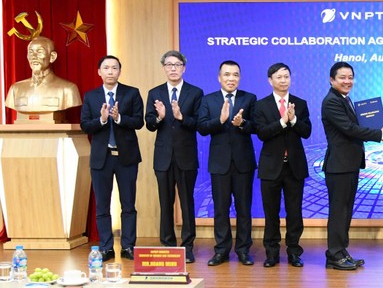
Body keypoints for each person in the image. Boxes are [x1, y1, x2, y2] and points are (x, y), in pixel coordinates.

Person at [321, 61, 383, 271]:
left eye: (350, 77)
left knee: (345, 211)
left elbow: (355, 126)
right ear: (332, 80)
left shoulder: (344, 99)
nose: (347, 81)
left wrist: (379, 127)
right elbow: (349, 129)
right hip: (338, 166)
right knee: (338, 212)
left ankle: (341, 251)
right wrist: (380, 135)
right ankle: (334, 255)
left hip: (349, 164)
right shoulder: (331, 101)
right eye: (342, 77)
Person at [80, 55, 144, 262]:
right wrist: (102, 119)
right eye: (106, 68)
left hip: (126, 157)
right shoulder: (91, 96)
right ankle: (106, 247)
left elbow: (139, 122)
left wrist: (118, 118)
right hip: (102, 158)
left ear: (119, 71)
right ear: (99, 72)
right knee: (102, 206)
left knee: (128, 205)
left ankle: (128, 246)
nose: (110, 71)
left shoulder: (131, 93)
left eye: (114, 68)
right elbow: (85, 125)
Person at [145, 50, 203, 264]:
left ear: (183, 68)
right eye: (169, 65)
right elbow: (149, 124)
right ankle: (168, 246)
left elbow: (199, 123)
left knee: (187, 202)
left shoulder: (195, 92)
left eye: (177, 64)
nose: (173, 68)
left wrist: (181, 116)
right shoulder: (155, 92)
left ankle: (187, 247)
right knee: (165, 202)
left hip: (186, 156)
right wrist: (160, 117)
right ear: (164, 68)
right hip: (163, 157)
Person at [198, 60, 258, 267]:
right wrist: (220, 120)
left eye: (235, 75)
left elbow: (256, 127)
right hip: (219, 163)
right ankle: (221, 251)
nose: (231, 78)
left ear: (239, 77)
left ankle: (243, 250)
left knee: (244, 209)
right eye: (227, 74)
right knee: (221, 209)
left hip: (243, 163)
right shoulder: (208, 100)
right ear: (219, 77)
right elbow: (202, 128)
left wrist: (243, 124)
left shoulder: (249, 98)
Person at [253, 63, 312, 268]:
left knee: (294, 213)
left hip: (294, 167)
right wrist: (282, 121)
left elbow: (306, 132)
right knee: (271, 213)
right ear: (270, 80)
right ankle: (272, 253)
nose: (283, 80)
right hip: (271, 167)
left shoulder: (300, 103)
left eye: (286, 76)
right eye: (279, 77)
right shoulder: (261, 105)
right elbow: (262, 133)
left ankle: (294, 252)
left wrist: (293, 119)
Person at [5, 36, 81, 113]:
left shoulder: (68, 89)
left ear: (52, 57)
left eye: (39, 52)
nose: (34, 56)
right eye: (31, 52)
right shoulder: (15, 89)